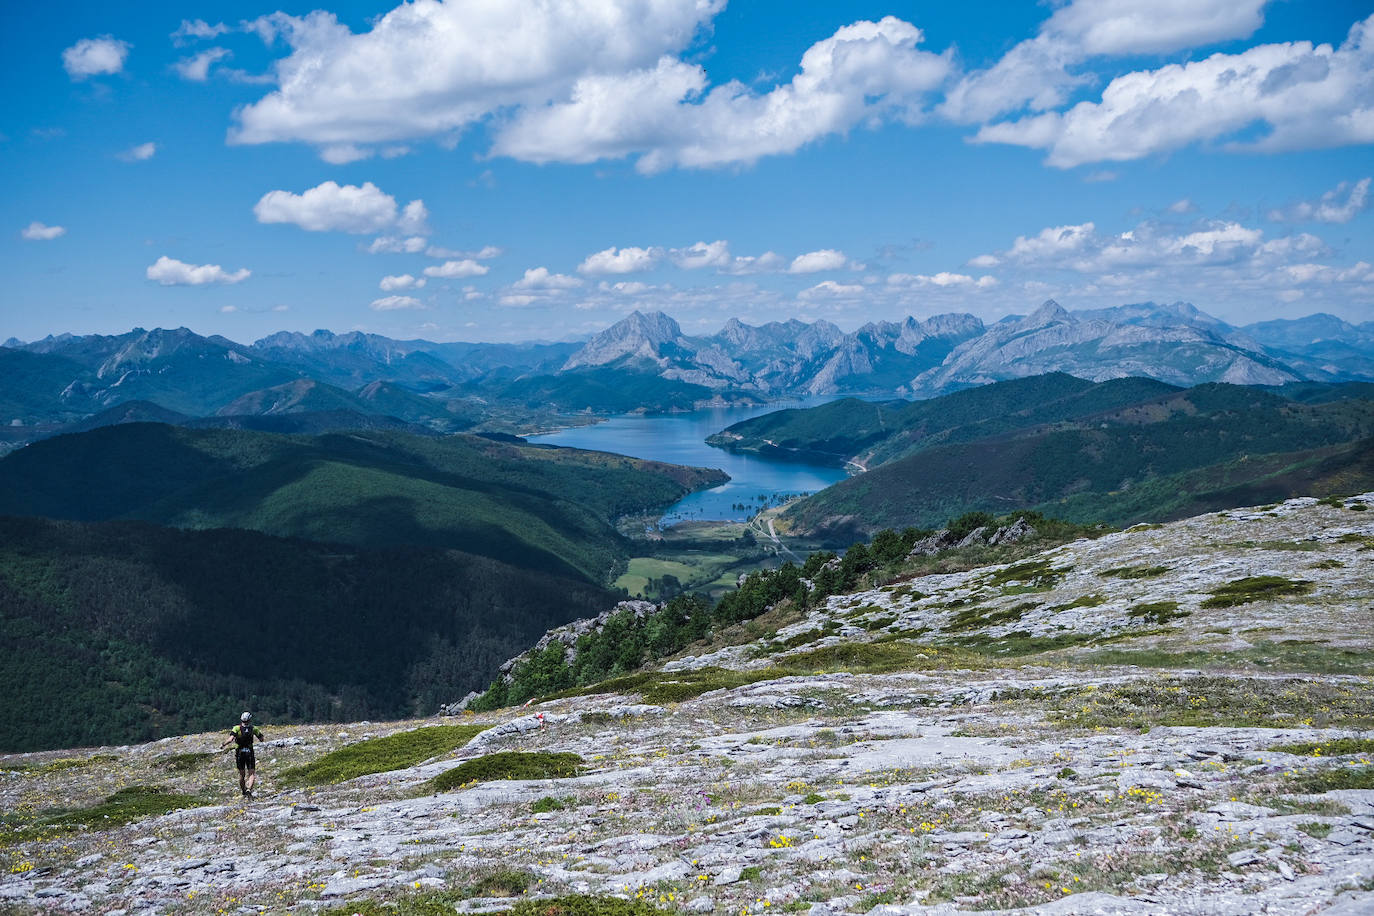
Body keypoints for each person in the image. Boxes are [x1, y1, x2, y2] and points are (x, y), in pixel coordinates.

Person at [220, 712, 264, 798]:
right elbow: (261, 739)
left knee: (242, 774)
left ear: (241, 719)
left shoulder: (236, 728)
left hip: (239, 752)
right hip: (249, 752)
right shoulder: (254, 728)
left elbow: (230, 739)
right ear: (250, 719)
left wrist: (223, 744)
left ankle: (243, 791)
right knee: (251, 773)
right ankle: (249, 789)